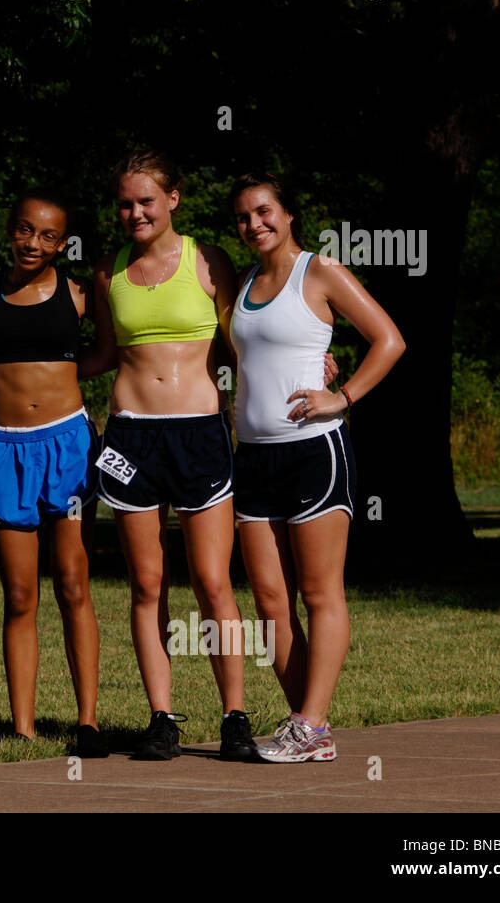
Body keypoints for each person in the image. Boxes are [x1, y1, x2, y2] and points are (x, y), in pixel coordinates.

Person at [83, 149, 257, 760]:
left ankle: (235, 716)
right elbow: (103, 356)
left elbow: (242, 344)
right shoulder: (108, 273)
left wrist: (314, 361)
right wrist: (31, 373)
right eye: (125, 203)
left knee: (213, 582)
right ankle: (162, 717)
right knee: (147, 583)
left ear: (174, 198)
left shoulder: (211, 263)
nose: (134, 212)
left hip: (200, 434)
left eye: (146, 201)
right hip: (129, 438)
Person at [228, 172, 404, 762]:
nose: (255, 224)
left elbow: (389, 339)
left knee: (318, 592)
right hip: (252, 457)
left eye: (264, 212)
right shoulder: (246, 282)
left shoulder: (320, 272)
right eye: (244, 218)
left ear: (288, 214)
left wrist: (344, 395)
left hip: (314, 452)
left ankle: (310, 723)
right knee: (269, 601)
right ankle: (310, 726)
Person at [0, 188, 109, 758]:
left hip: (68, 446)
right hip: (7, 450)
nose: (33, 243)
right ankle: (24, 728)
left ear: (62, 244)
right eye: (24, 230)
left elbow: (110, 354)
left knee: (72, 584)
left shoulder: (81, 294)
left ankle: (87, 722)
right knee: (19, 596)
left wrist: (57, 371)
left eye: (47, 236)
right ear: (10, 230)